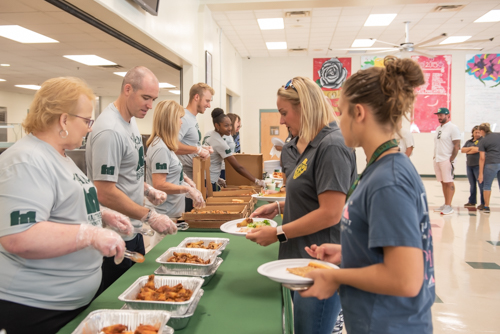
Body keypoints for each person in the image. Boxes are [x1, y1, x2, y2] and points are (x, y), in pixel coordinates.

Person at [300, 56, 434, 334]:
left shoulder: (389, 180)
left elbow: (406, 278)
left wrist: (336, 278)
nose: (338, 121)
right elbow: (388, 246)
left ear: (359, 113)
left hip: (390, 324)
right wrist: (349, 253)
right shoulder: (382, 166)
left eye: (341, 112)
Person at [0, 77, 129, 334]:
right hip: (38, 309)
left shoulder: (60, 155)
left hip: (71, 302)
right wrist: (90, 234)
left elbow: (58, 203)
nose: (90, 129)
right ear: (63, 119)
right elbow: (19, 237)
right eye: (87, 121)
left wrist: (100, 214)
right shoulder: (26, 160)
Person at [247, 77, 357, 334]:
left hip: (319, 259)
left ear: (305, 107)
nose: (282, 121)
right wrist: (280, 207)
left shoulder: (332, 145)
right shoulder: (294, 145)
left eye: (285, 113)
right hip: (295, 255)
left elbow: (330, 212)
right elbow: (311, 194)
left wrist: (277, 233)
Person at [86, 66, 177, 295]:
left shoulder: (131, 119)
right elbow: (104, 191)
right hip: (114, 235)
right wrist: (150, 215)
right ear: (128, 89)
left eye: (153, 99)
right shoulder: (110, 130)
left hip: (133, 230)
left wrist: (146, 189)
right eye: (146, 98)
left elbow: (125, 172)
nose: (150, 105)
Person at [145, 100, 205, 245]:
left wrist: (186, 180)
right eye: (179, 118)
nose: (181, 123)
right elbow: (159, 184)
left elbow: (171, 171)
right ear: (170, 121)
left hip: (173, 213)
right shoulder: (160, 148)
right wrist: (187, 189)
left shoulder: (166, 145)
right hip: (164, 214)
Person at [203, 108, 266, 191]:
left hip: (204, 177)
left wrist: (218, 178)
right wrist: (256, 180)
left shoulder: (209, 134)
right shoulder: (220, 143)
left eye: (230, 125)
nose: (229, 128)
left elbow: (211, 159)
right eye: (226, 125)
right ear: (217, 125)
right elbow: (238, 167)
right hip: (209, 181)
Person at [175, 83, 214, 211]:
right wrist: (197, 150)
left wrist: (202, 148)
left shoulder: (192, 118)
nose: (209, 105)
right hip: (185, 180)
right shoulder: (184, 118)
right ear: (196, 97)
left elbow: (188, 144)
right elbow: (173, 145)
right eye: (207, 101)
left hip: (193, 177)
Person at [432, 107, 461, 215]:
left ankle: (449, 206)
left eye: (441, 115)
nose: (439, 117)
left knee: (449, 181)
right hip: (438, 158)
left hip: (447, 159)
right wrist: (434, 156)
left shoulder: (453, 128)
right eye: (438, 115)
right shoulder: (439, 128)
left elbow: (457, 144)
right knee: (443, 182)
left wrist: (452, 159)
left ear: (447, 115)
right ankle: (445, 204)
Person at [478, 123, 500, 214]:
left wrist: (480, 174)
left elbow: (482, 158)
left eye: (480, 132)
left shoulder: (483, 141)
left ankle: (486, 206)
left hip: (491, 163)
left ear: (482, 131)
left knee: (487, 185)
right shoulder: (498, 135)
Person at [461, 126, 485, 209]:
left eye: (479, 132)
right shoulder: (469, 141)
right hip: (469, 166)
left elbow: (478, 149)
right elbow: (462, 150)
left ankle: (483, 203)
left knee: (481, 185)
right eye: (476, 132)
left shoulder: (482, 141)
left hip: (478, 166)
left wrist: (470, 149)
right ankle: (472, 201)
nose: (477, 134)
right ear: (473, 133)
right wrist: (472, 148)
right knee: (472, 185)